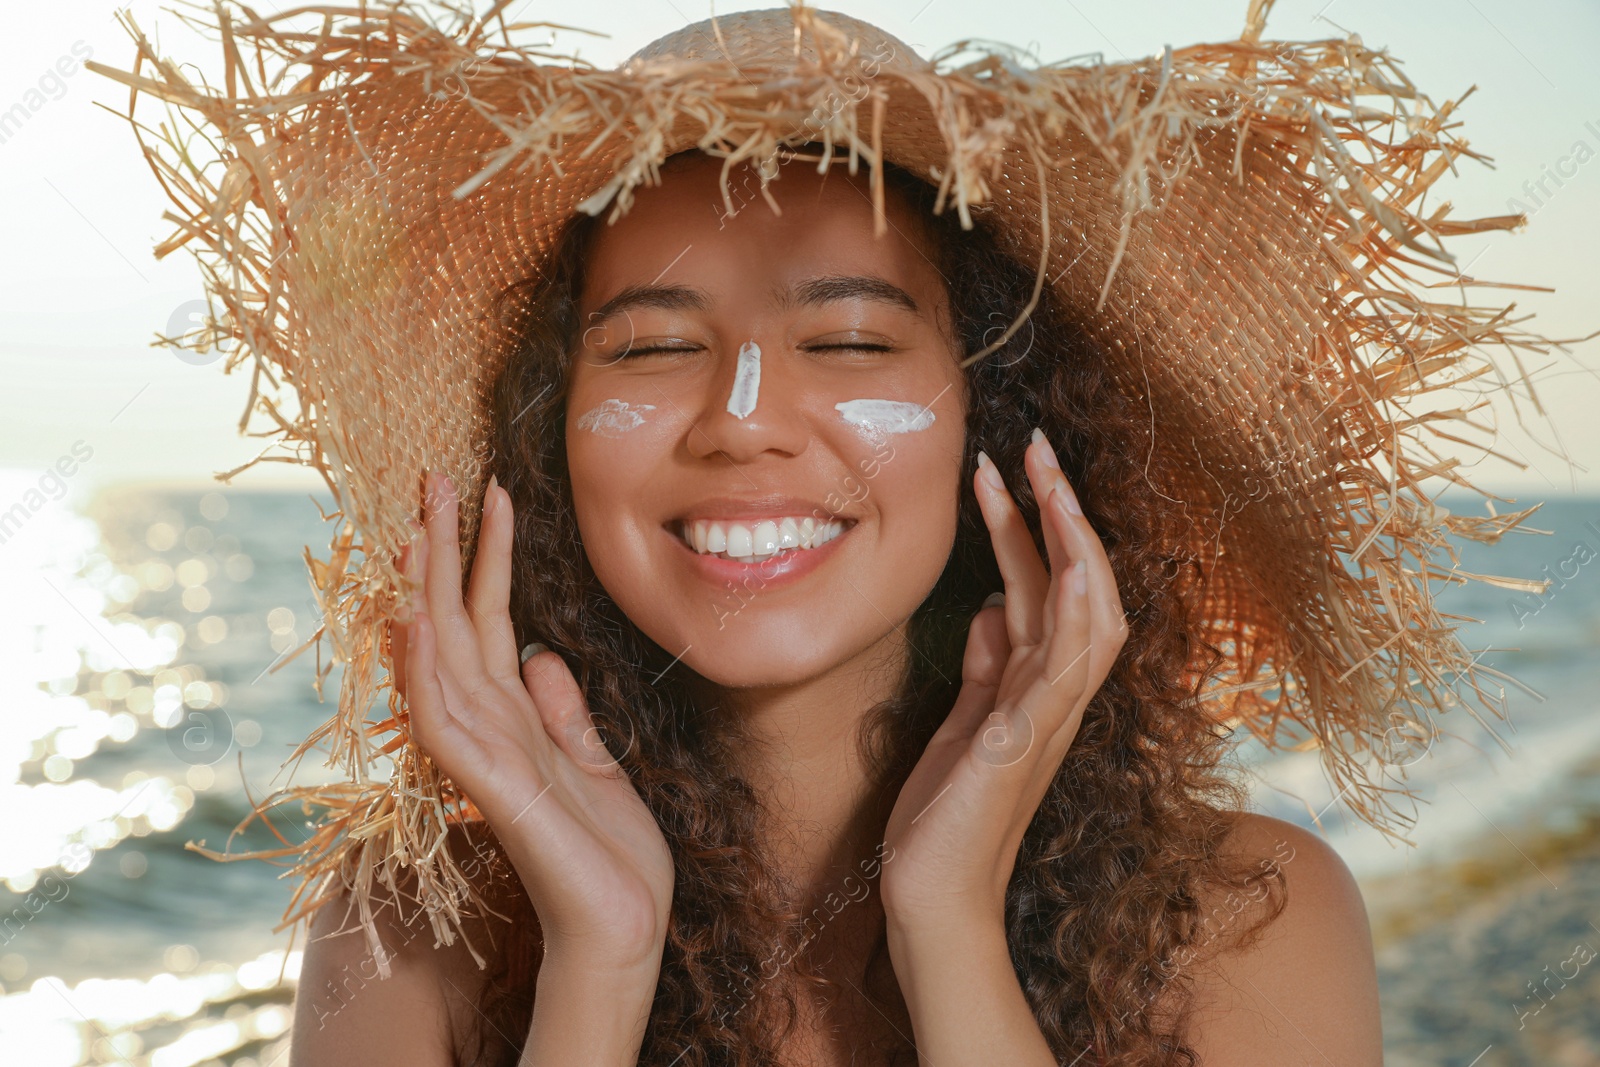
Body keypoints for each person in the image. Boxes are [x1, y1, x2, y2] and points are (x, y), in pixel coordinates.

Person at [289, 145, 1382, 1066]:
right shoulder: (401, 936)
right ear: (542, 443)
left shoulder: (1256, 920)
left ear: (990, 420)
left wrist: (949, 928)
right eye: (656, 346)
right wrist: (599, 964)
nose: (741, 419)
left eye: (849, 338)